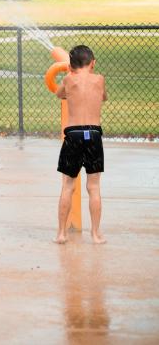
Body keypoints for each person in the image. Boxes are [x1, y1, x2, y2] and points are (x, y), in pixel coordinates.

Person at [54, 45, 107, 245]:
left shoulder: (68, 79)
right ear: (92, 62)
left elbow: (59, 94)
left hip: (73, 134)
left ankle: (61, 233)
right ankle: (95, 234)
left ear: (71, 65)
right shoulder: (99, 79)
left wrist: (69, 76)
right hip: (93, 134)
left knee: (68, 186)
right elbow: (104, 97)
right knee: (93, 187)